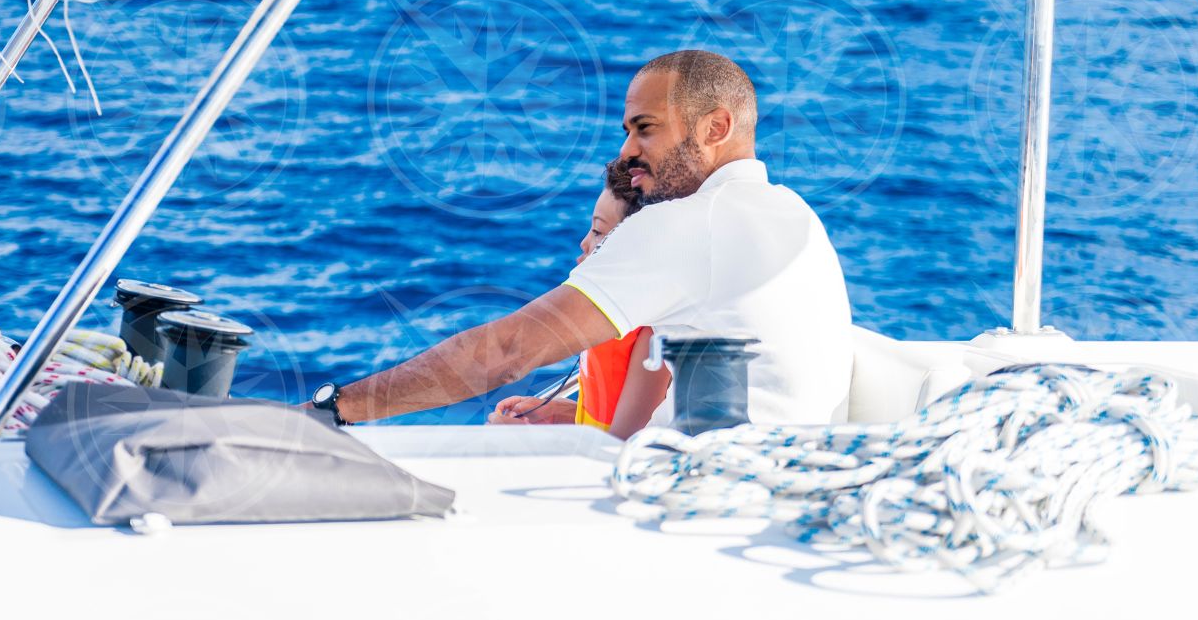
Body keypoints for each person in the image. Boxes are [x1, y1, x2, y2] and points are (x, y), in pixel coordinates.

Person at [307, 50, 853, 429]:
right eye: (627, 132)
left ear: (714, 128)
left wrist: (335, 408)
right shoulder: (793, 212)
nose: (626, 154)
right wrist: (573, 415)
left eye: (646, 128)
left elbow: (507, 351)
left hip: (700, 493)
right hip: (773, 475)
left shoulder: (689, 221)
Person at [487, 162, 671, 439]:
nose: (584, 243)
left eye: (597, 232)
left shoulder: (650, 338)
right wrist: (563, 414)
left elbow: (621, 447)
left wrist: (529, 441)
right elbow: (610, 417)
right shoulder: (609, 321)